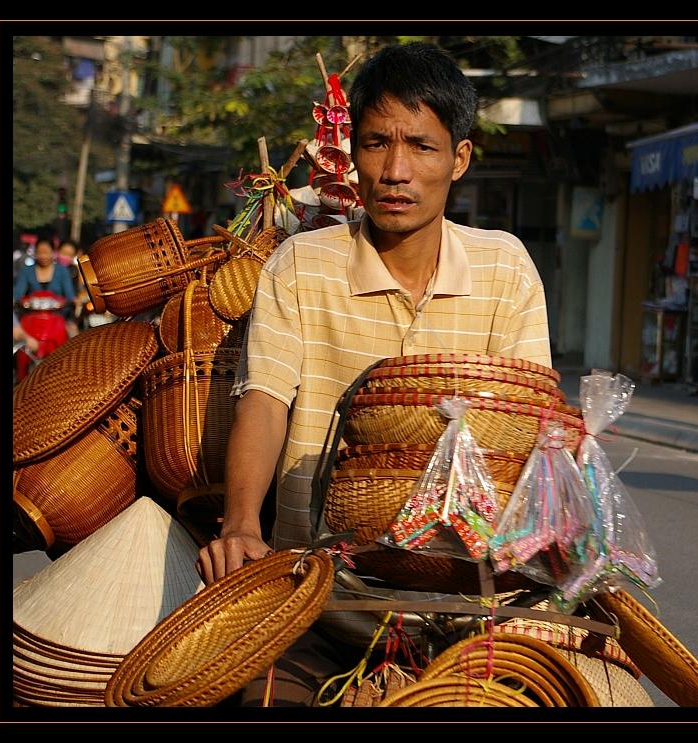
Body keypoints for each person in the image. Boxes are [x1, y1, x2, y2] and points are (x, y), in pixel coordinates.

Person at [197, 42, 552, 704]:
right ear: (350, 152)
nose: (395, 170)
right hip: (314, 599)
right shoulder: (302, 265)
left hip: (467, 610)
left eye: (421, 146)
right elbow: (266, 400)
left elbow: (526, 429)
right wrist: (241, 522)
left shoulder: (505, 268)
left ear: (460, 158)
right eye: (375, 143)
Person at [14, 237, 78, 337]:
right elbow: (17, 294)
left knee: (73, 339)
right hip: (31, 317)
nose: (43, 256)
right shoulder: (26, 271)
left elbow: (70, 296)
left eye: (46, 252)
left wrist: (73, 302)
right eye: (40, 252)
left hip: (58, 318)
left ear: (53, 252)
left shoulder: (62, 271)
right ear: (35, 253)